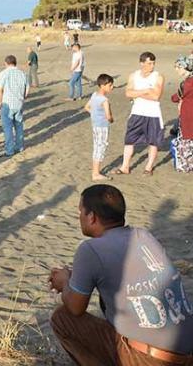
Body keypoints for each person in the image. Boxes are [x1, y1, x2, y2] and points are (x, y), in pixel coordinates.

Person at [48, 184, 193, 365]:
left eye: (80, 212)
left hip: (149, 358)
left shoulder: (90, 249)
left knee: (62, 319)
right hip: (185, 352)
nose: (79, 217)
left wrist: (65, 282)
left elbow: (76, 308)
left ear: (91, 217)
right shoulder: (143, 235)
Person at [116, 52, 164, 176]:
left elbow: (156, 96)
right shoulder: (134, 76)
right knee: (129, 140)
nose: (152, 66)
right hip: (137, 112)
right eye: (149, 63)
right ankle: (125, 166)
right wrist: (146, 90)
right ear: (142, 63)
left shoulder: (158, 77)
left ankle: (148, 167)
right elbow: (128, 93)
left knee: (153, 142)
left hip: (153, 114)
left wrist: (137, 93)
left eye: (153, 63)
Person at [0, 55, 30, 157]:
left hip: (8, 103)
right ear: (15, 63)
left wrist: (0, 101)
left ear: (6, 63)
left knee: (8, 128)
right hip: (19, 103)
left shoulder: (4, 73)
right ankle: (19, 147)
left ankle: (9, 150)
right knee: (19, 126)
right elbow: (27, 88)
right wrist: (23, 98)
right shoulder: (22, 73)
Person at [85, 74, 115, 181]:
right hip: (102, 127)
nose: (111, 87)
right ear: (103, 85)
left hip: (95, 126)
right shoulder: (104, 100)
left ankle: (95, 171)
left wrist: (95, 115)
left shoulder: (94, 95)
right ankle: (96, 173)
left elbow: (87, 107)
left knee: (97, 146)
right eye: (110, 85)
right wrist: (111, 119)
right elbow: (108, 116)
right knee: (100, 147)